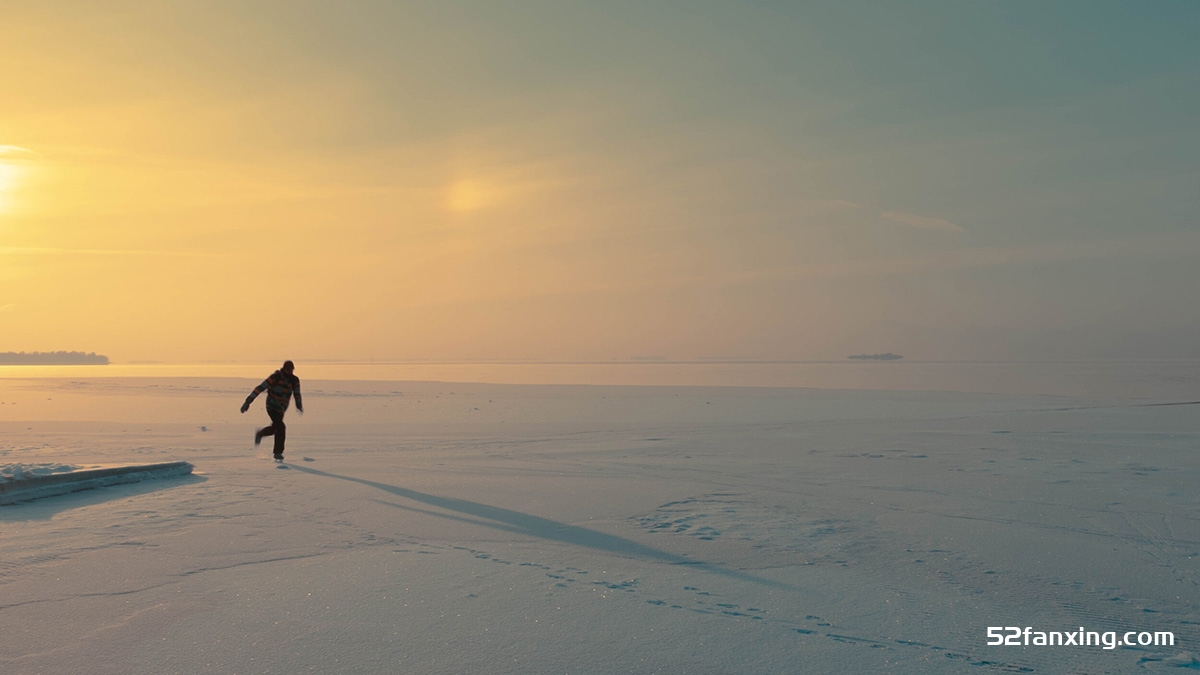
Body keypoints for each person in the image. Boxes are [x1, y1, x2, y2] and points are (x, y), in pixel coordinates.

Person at [241, 360, 303, 461]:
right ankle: (278, 453)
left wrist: (299, 405)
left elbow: (297, 393)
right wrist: (248, 402)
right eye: (288, 370)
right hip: (271, 406)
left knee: (275, 428)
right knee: (281, 427)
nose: (289, 372)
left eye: (291, 370)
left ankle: (260, 433)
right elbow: (260, 388)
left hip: (281, 409)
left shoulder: (294, 380)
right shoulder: (276, 377)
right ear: (284, 369)